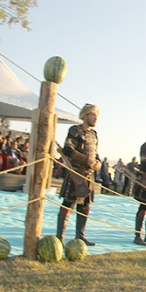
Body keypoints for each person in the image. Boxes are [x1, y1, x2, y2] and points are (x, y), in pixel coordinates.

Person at [56, 104, 101, 247]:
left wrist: (97, 163)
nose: (95, 118)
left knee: (85, 206)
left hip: (89, 175)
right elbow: (68, 149)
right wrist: (85, 159)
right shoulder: (75, 130)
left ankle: (80, 236)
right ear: (85, 115)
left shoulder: (94, 134)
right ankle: (59, 237)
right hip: (76, 174)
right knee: (68, 204)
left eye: (96, 115)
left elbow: (95, 154)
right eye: (93, 115)